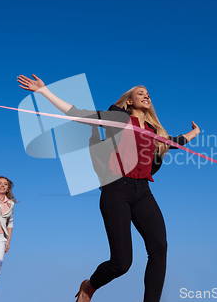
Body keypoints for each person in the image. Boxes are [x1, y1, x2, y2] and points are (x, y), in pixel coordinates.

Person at [17, 74, 200, 302]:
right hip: (116, 190)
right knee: (121, 263)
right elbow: (79, 115)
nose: (146, 95)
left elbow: (172, 142)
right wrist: (44, 91)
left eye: (148, 94)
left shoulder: (153, 131)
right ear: (130, 101)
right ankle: (89, 287)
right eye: (140, 93)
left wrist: (193, 134)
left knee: (159, 248)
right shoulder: (117, 119)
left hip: (143, 191)